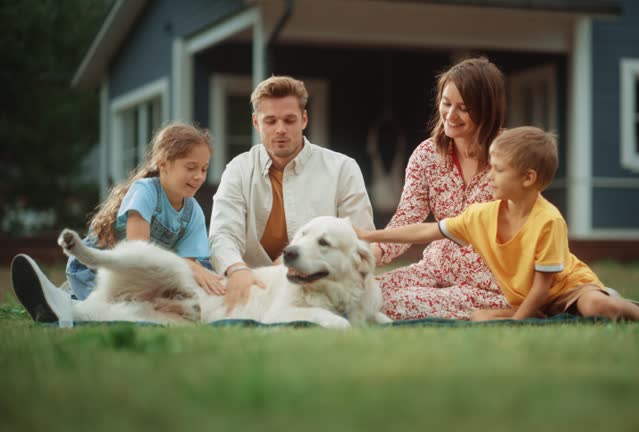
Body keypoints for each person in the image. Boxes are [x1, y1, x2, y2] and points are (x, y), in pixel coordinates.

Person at [358, 126, 639, 323]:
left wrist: (518, 323)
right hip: (522, 298)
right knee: (482, 317)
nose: (489, 176)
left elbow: (544, 287)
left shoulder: (548, 221)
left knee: (596, 307)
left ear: (528, 178)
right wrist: (371, 234)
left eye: (498, 170)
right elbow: (428, 230)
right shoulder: (483, 215)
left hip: (564, 290)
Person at [11, 122, 222, 322]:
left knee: (183, 283)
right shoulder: (146, 191)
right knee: (104, 306)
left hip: (141, 277)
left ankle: (65, 302)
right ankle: (61, 300)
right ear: (163, 164)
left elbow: (189, 263)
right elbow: (137, 250)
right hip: (102, 269)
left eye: (203, 169)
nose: (198, 177)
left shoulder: (193, 211)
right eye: (191, 167)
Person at [209, 75, 375, 311]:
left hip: (318, 290)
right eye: (270, 121)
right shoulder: (238, 169)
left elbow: (361, 239)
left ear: (304, 119)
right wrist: (236, 270)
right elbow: (222, 235)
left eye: (289, 120)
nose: (280, 130)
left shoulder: (343, 168)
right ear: (256, 123)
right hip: (251, 288)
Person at [370, 57, 508, 320]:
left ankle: (502, 312)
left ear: (487, 110)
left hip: (488, 283)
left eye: (464, 108)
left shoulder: (510, 154)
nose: (451, 115)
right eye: (446, 103)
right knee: (366, 294)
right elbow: (408, 216)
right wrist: (374, 252)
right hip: (435, 268)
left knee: (397, 305)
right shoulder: (426, 155)